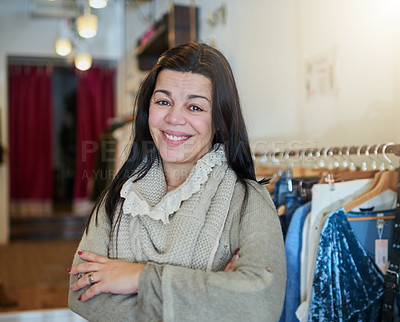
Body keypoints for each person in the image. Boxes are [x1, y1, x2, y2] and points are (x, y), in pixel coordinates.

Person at [68, 41, 286, 321]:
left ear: (220, 120)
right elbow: (81, 295)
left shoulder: (247, 200)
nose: (174, 118)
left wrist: (139, 277)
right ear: (148, 110)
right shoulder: (119, 196)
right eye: (163, 101)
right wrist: (213, 298)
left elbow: (259, 303)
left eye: (195, 107)